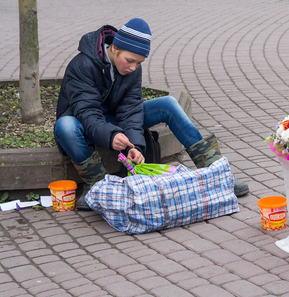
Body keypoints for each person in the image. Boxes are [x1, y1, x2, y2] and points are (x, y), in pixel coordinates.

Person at [54, 18, 249, 210]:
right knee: (65, 126)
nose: (133, 68)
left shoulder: (132, 70)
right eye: (130, 61)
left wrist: (135, 146)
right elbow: (87, 112)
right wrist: (111, 135)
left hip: (113, 121)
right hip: (83, 120)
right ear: (114, 48)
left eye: (139, 63)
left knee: (168, 104)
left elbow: (131, 110)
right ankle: (96, 187)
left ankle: (217, 174)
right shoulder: (82, 65)